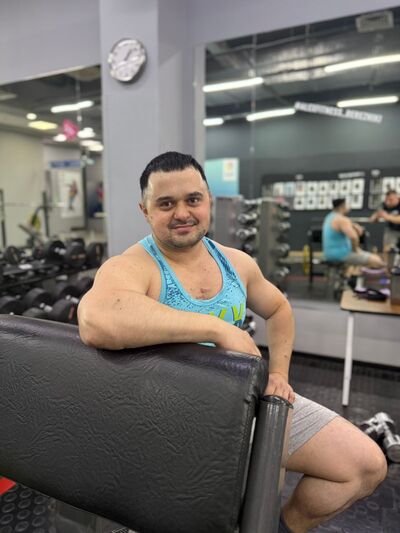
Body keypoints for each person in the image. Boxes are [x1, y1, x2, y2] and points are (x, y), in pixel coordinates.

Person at [78, 152, 387, 533]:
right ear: (146, 211)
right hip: (177, 424)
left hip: (248, 402)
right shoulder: (134, 265)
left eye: (193, 199)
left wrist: (279, 375)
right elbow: (96, 319)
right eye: (166, 204)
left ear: (208, 200)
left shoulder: (235, 263)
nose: (182, 213)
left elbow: (279, 309)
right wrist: (216, 328)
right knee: (230, 508)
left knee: (364, 465)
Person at [322, 198, 384, 268]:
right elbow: (353, 237)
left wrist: (354, 225)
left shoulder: (330, 217)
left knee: (367, 260)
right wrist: (356, 249)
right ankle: (355, 273)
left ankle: (354, 272)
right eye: (347, 204)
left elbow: (342, 225)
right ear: (343, 206)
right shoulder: (342, 220)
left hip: (329, 254)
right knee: (377, 261)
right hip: (341, 254)